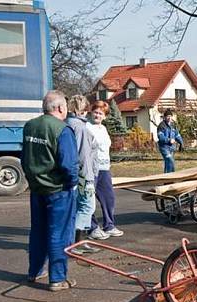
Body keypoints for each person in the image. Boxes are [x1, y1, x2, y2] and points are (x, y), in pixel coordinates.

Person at [21, 90, 78, 291]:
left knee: (38, 231)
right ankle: (57, 278)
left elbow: (24, 158)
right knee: (59, 233)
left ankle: (35, 271)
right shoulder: (62, 129)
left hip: (37, 189)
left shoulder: (30, 126)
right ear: (61, 108)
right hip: (58, 190)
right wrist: (72, 184)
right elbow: (70, 165)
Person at [66, 95, 101, 254]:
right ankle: (76, 242)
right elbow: (83, 154)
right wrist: (89, 177)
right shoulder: (79, 127)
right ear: (81, 110)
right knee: (87, 206)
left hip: (78, 174)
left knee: (81, 207)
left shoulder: (69, 124)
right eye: (86, 109)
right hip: (83, 175)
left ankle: (78, 241)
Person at [87, 101, 124, 239]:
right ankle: (92, 228)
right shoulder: (87, 127)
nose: (97, 115)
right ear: (91, 112)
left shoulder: (102, 128)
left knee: (108, 198)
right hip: (91, 168)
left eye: (100, 113)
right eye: (95, 112)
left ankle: (109, 225)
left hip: (104, 168)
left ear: (105, 116)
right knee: (89, 199)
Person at [157, 109, 184, 173]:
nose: (169, 118)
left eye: (170, 116)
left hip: (171, 148)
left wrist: (181, 143)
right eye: (167, 116)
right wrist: (169, 140)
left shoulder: (173, 125)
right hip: (164, 147)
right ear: (164, 117)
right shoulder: (161, 126)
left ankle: (167, 179)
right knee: (170, 160)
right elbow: (160, 137)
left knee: (168, 163)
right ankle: (171, 177)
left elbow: (177, 135)